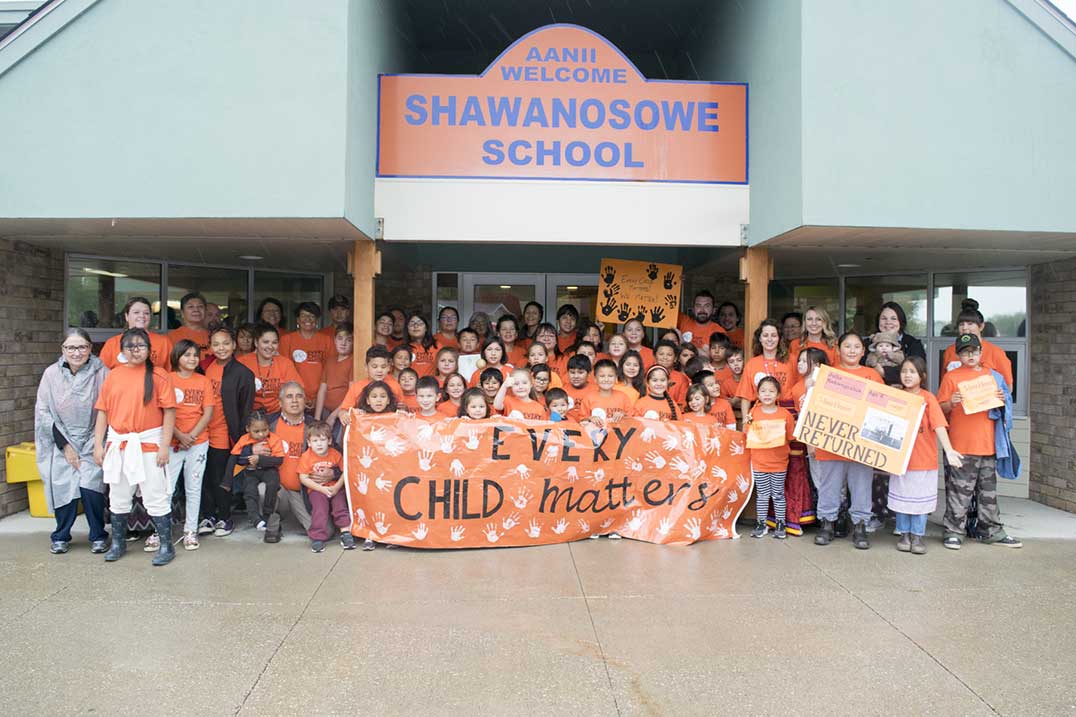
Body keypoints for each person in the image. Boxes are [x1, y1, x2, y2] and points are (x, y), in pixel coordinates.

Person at [92, 328, 177, 566]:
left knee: (155, 495)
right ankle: (118, 543)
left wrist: (164, 446)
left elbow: (170, 412)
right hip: (119, 444)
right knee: (118, 497)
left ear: (149, 350)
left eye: (140, 346)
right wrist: (98, 445)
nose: (135, 350)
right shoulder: (114, 375)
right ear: (122, 350)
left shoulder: (159, 375)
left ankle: (166, 545)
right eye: (130, 346)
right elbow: (103, 412)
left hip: (149, 443)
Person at [937, 334, 1022, 549]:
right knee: (959, 491)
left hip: (988, 444)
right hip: (961, 444)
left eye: (974, 351)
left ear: (981, 352)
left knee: (988, 491)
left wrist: (1003, 401)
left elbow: (1004, 408)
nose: (970, 355)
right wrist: (951, 403)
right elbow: (939, 410)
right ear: (958, 355)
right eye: (965, 352)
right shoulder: (951, 377)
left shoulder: (992, 376)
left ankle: (991, 530)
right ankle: (954, 531)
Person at [35, 329, 109, 555]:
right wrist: (65, 445)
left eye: (82, 347)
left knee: (91, 488)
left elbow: (108, 408)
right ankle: (60, 535)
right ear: (63, 349)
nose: (77, 352)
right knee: (63, 488)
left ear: (90, 348)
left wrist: (97, 442)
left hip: (93, 437)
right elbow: (43, 412)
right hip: (61, 438)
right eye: (71, 347)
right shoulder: (51, 374)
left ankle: (98, 535)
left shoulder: (102, 372)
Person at [812, 332, 884, 550]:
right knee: (829, 485)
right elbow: (817, 405)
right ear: (838, 349)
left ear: (863, 351)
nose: (852, 350)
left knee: (861, 485)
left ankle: (860, 526)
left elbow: (882, 407)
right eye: (847, 346)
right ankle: (827, 523)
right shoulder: (828, 374)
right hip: (832, 440)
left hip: (861, 443)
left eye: (856, 346)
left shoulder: (872, 375)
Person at [890, 357, 962, 555]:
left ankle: (917, 536)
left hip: (924, 460)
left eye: (912, 371)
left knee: (920, 502)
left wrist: (949, 450)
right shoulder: (895, 396)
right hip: (900, 460)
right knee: (902, 500)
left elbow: (939, 425)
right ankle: (904, 534)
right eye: (904, 371)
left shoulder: (928, 398)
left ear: (922, 376)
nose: (907, 375)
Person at [201, 326, 255, 538]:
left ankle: (224, 517)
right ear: (210, 347)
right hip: (201, 431)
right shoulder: (204, 367)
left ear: (234, 345)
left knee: (220, 477)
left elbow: (246, 410)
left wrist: (242, 439)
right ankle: (208, 516)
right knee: (203, 476)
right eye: (216, 344)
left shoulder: (243, 374)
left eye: (225, 343)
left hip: (224, 432)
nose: (221, 348)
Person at [167, 339, 214, 551]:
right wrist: (179, 435)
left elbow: (208, 413)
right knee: (166, 488)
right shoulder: (167, 379)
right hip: (171, 442)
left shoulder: (203, 381)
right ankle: (161, 531)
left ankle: (190, 530)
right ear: (177, 356)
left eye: (195, 355)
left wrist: (191, 437)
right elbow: (162, 412)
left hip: (198, 443)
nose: (192, 359)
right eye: (187, 354)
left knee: (193, 487)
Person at [745, 376, 796, 539]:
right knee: (762, 494)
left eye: (771, 391)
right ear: (757, 394)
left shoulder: (785, 414)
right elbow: (747, 433)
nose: (767, 394)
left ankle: (781, 523)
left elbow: (790, 436)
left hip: (779, 462)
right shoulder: (753, 412)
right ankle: (761, 523)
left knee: (778, 494)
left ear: (778, 395)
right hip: (759, 462)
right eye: (763, 391)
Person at [226, 410, 285, 542]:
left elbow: (278, 460)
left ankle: (267, 513)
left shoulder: (274, 439)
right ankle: (254, 518)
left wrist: (260, 459)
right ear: (248, 429)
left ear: (268, 427)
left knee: (273, 483)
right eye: (256, 431)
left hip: (269, 470)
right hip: (251, 471)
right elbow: (236, 457)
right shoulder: (244, 439)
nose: (261, 434)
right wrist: (248, 458)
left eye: (264, 430)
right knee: (249, 491)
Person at [268, 382, 315, 543]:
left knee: (322, 531)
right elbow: (245, 451)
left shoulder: (314, 426)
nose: (294, 400)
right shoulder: (268, 425)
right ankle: (272, 527)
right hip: (278, 488)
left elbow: (333, 455)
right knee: (263, 490)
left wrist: (332, 472)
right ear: (280, 403)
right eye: (289, 396)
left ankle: (298, 513)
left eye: (299, 396)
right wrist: (254, 450)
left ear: (305, 401)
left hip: (302, 490)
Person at [298, 421, 354, 552]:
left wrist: (337, 487)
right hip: (317, 490)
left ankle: (345, 532)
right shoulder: (306, 457)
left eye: (322, 440)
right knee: (319, 510)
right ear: (309, 443)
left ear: (329, 441)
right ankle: (317, 537)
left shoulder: (335, 454)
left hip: (335, 488)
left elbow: (345, 471)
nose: (319, 444)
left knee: (340, 507)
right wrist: (322, 489)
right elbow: (303, 478)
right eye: (315, 440)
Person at [939, 306, 1013, 389]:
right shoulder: (950, 351)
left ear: (981, 326)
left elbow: (1008, 386)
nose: (964, 328)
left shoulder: (996, 352)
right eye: (961, 324)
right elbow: (944, 384)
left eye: (970, 324)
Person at [238, 323, 303, 415]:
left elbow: (297, 390)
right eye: (266, 342)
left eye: (274, 342)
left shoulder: (285, 363)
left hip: (279, 413)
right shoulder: (242, 363)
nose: (270, 346)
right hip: (249, 414)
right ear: (256, 343)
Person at [280, 302, 334, 409]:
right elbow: (284, 371)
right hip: (294, 397)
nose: (308, 319)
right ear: (298, 319)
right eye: (304, 315)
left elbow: (330, 371)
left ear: (317, 320)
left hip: (321, 396)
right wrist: (299, 396)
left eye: (312, 316)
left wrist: (319, 397)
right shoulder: (286, 340)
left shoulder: (326, 340)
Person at [99, 297, 173, 369]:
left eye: (146, 313)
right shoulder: (112, 343)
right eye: (136, 312)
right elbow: (101, 373)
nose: (142, 316)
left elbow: (172, 372)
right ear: (126, 316)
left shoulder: (164, 342)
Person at [735, 320, 795, 408]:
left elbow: (801, 388)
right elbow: (745, 396)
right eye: (765, 335)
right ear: (760, 338)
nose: (769, 339)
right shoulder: (752, 364)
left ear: (779, 338)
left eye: (773, 335)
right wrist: (745, 416)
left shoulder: (792, 360)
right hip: (760, 411)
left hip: (788, 410)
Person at [314, 322, 355, 423]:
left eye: (349, 340)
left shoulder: (353, 361)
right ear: (334, 340)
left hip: (343, 412)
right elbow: (322, 390)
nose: (343, 343)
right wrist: (317, 418)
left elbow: (352, 394)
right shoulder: (330, 361)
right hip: (326, 411)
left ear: (354, 342)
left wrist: (333, 416)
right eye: (340, 338)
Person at [577, 359, 632, 424]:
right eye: (602, 376)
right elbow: (581, 419)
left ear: (616, 378)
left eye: (610, 376)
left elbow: (633, 418)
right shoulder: (589, 398)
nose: (606, 379)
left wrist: (624, 415)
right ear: (595, 379)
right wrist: (590, 418)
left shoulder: (623, 397)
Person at [677, 290, 723, 355]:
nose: (702, 310)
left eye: (707, 306)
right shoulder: (683, 321)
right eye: (698, 306)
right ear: (693, 309)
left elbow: (713, 357)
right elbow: (666, 309)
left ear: (713, 310)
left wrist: (683, 343)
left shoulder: (719, 332)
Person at [168, 292, 210, 358]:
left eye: (200, 306)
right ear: (182, 313)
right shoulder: (172, 337)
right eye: (191, 307)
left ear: (206, 311)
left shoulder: (214, 335)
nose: (196, 310)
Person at [652, 340, 690, 406]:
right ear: (655, 357)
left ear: (675, 358)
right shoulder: (647, 376)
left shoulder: (681, 379)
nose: (665, 357)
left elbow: (682, 404)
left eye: (669, 355)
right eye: (661, 354)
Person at [405, 312, 438, 377]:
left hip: (431, 383)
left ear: (426, 328)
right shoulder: (403, 349)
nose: (416, 326)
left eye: (420, 323)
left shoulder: (437, 346)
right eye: (412, 324)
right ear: (407, 329)